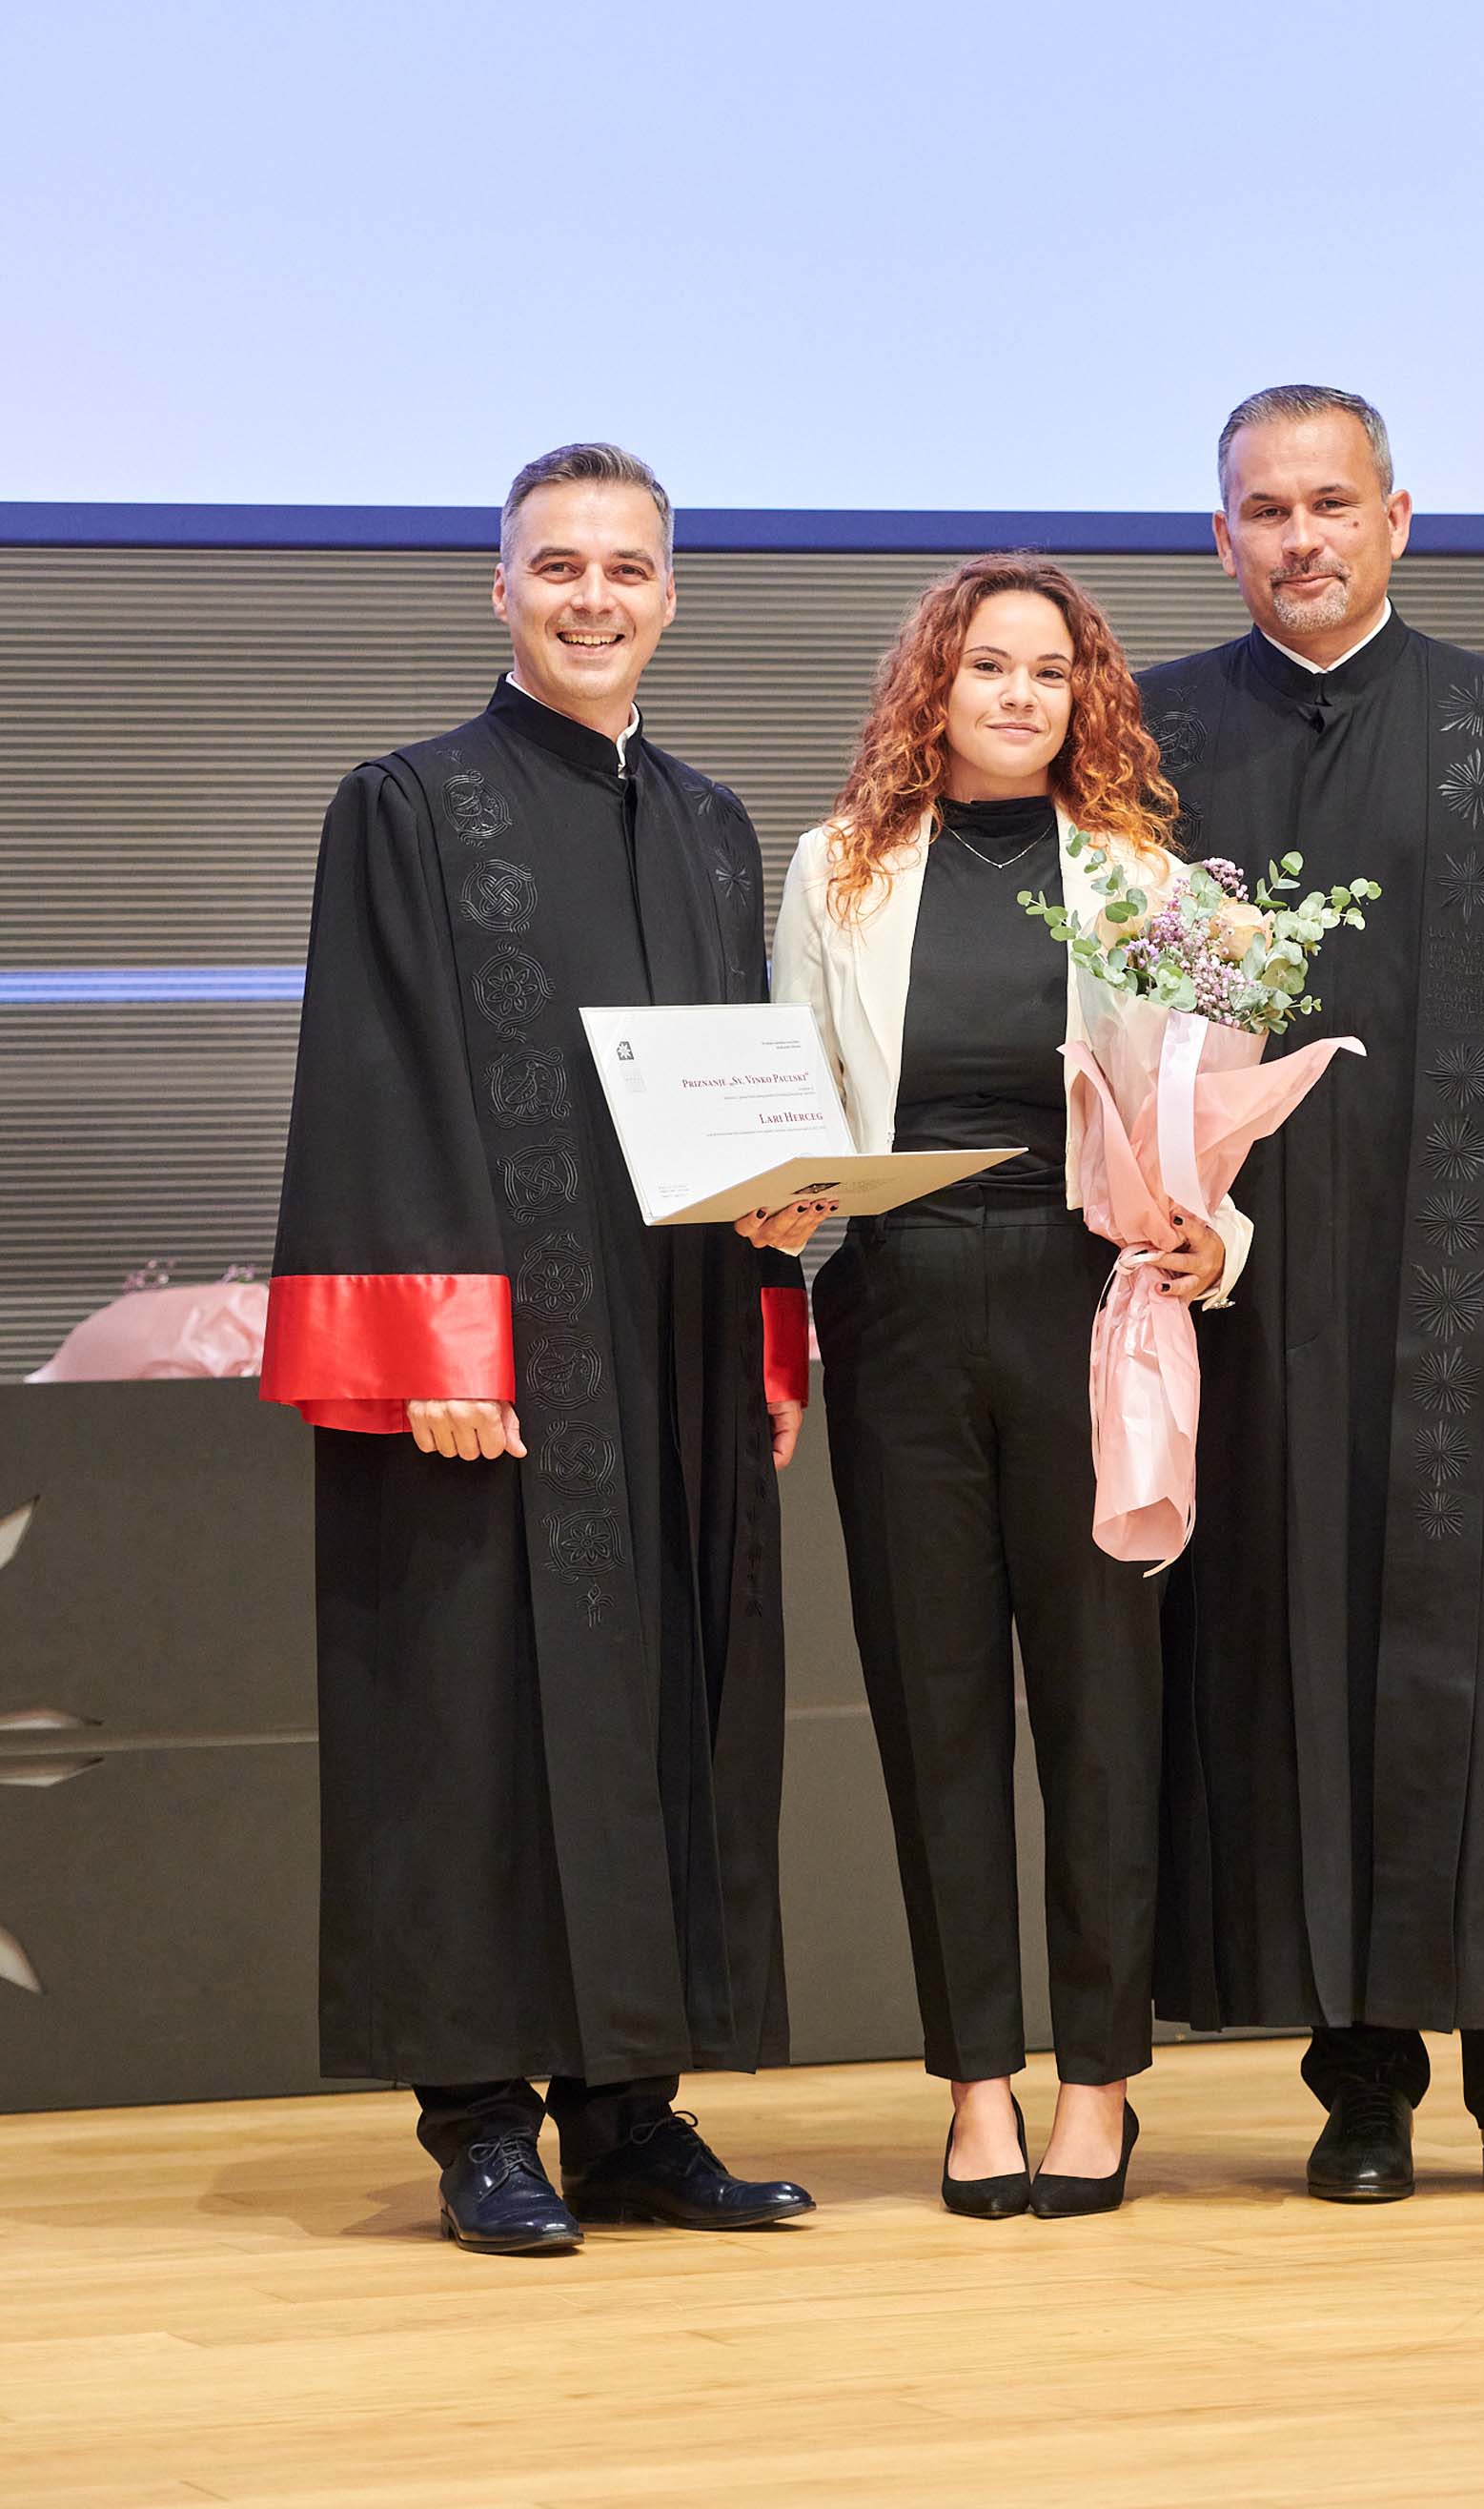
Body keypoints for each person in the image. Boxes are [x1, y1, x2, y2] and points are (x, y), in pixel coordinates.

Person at [261, 443, 823, 2254]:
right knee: (473, 1718)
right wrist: (433, 1341)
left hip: (669, 1346)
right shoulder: (407, 807)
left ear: (671, 596)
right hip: (494, 1362)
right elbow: (372, 1079)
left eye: (627, 569)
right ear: (498, 587)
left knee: (662, 1704)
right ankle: (483, 2121)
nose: (595, 598)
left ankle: (631, 2116)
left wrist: (774, 1299)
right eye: (558, 566)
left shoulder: (714, 825)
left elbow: (737, 1098)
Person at [1138, 386, 1484, 2203]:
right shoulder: (1156, 734)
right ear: (1221, 536)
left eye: (1331, 503)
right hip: (1258, 1283)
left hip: (1471, 1284)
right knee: (1297, 1660)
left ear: (1397, 518)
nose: (1299, 537)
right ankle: (1360, 2083)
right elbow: (1113, 1008)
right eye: (1264, 510)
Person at [760, 555, 1247, 2218]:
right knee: (936, 1707)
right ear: (936, 687)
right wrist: (777, 1200)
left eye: (1051, 670)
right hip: (895, 1308)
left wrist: (1217, 1238)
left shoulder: (1142, 876)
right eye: (989, 666)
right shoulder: (837, 865)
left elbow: (1201, 1128)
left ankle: (1098, 2083)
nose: (1021, 694)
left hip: (1085, 1307)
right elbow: (794, 1097)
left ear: (1083, 695)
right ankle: (976, 2085)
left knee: (1106, 1709)